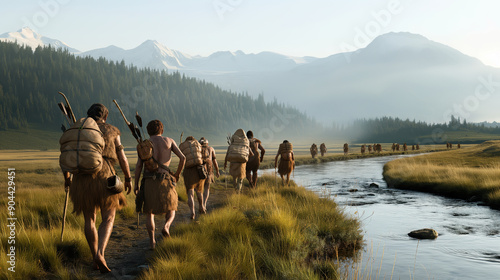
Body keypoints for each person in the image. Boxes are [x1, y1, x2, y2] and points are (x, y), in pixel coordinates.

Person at [62, 103, 132, 273]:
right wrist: (128, 178)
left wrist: (67, 179)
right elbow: (122, 157)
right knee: (108, 218)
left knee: (89, 220)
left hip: (81, 180)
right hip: (105, 178)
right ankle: (100, 253)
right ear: (105, 117)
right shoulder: (112, 130)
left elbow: (67, 155)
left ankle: (95, 257)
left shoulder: (77, 129)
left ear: (88, 114)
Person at [134, 120, 185, 249]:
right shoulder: (169, 141)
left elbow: (139, 166)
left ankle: (152, 242)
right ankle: (166, 226)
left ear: (148, 131)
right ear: (161, 130)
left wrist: (135, 184)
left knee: (149, 212)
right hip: (166, 180)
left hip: (149, 181)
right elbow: (183, 158)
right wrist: (177, 174)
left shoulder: (144, 145)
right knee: (172, 208)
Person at [200, 137, 220, 211]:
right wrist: (217, 171)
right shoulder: (211, 149)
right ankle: (204, 204)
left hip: (200, 171)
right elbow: (214, 161)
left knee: (200, 188)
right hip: (209, 170)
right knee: (207, 188)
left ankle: (201, 204)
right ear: (207, 143)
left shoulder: (198, 149)